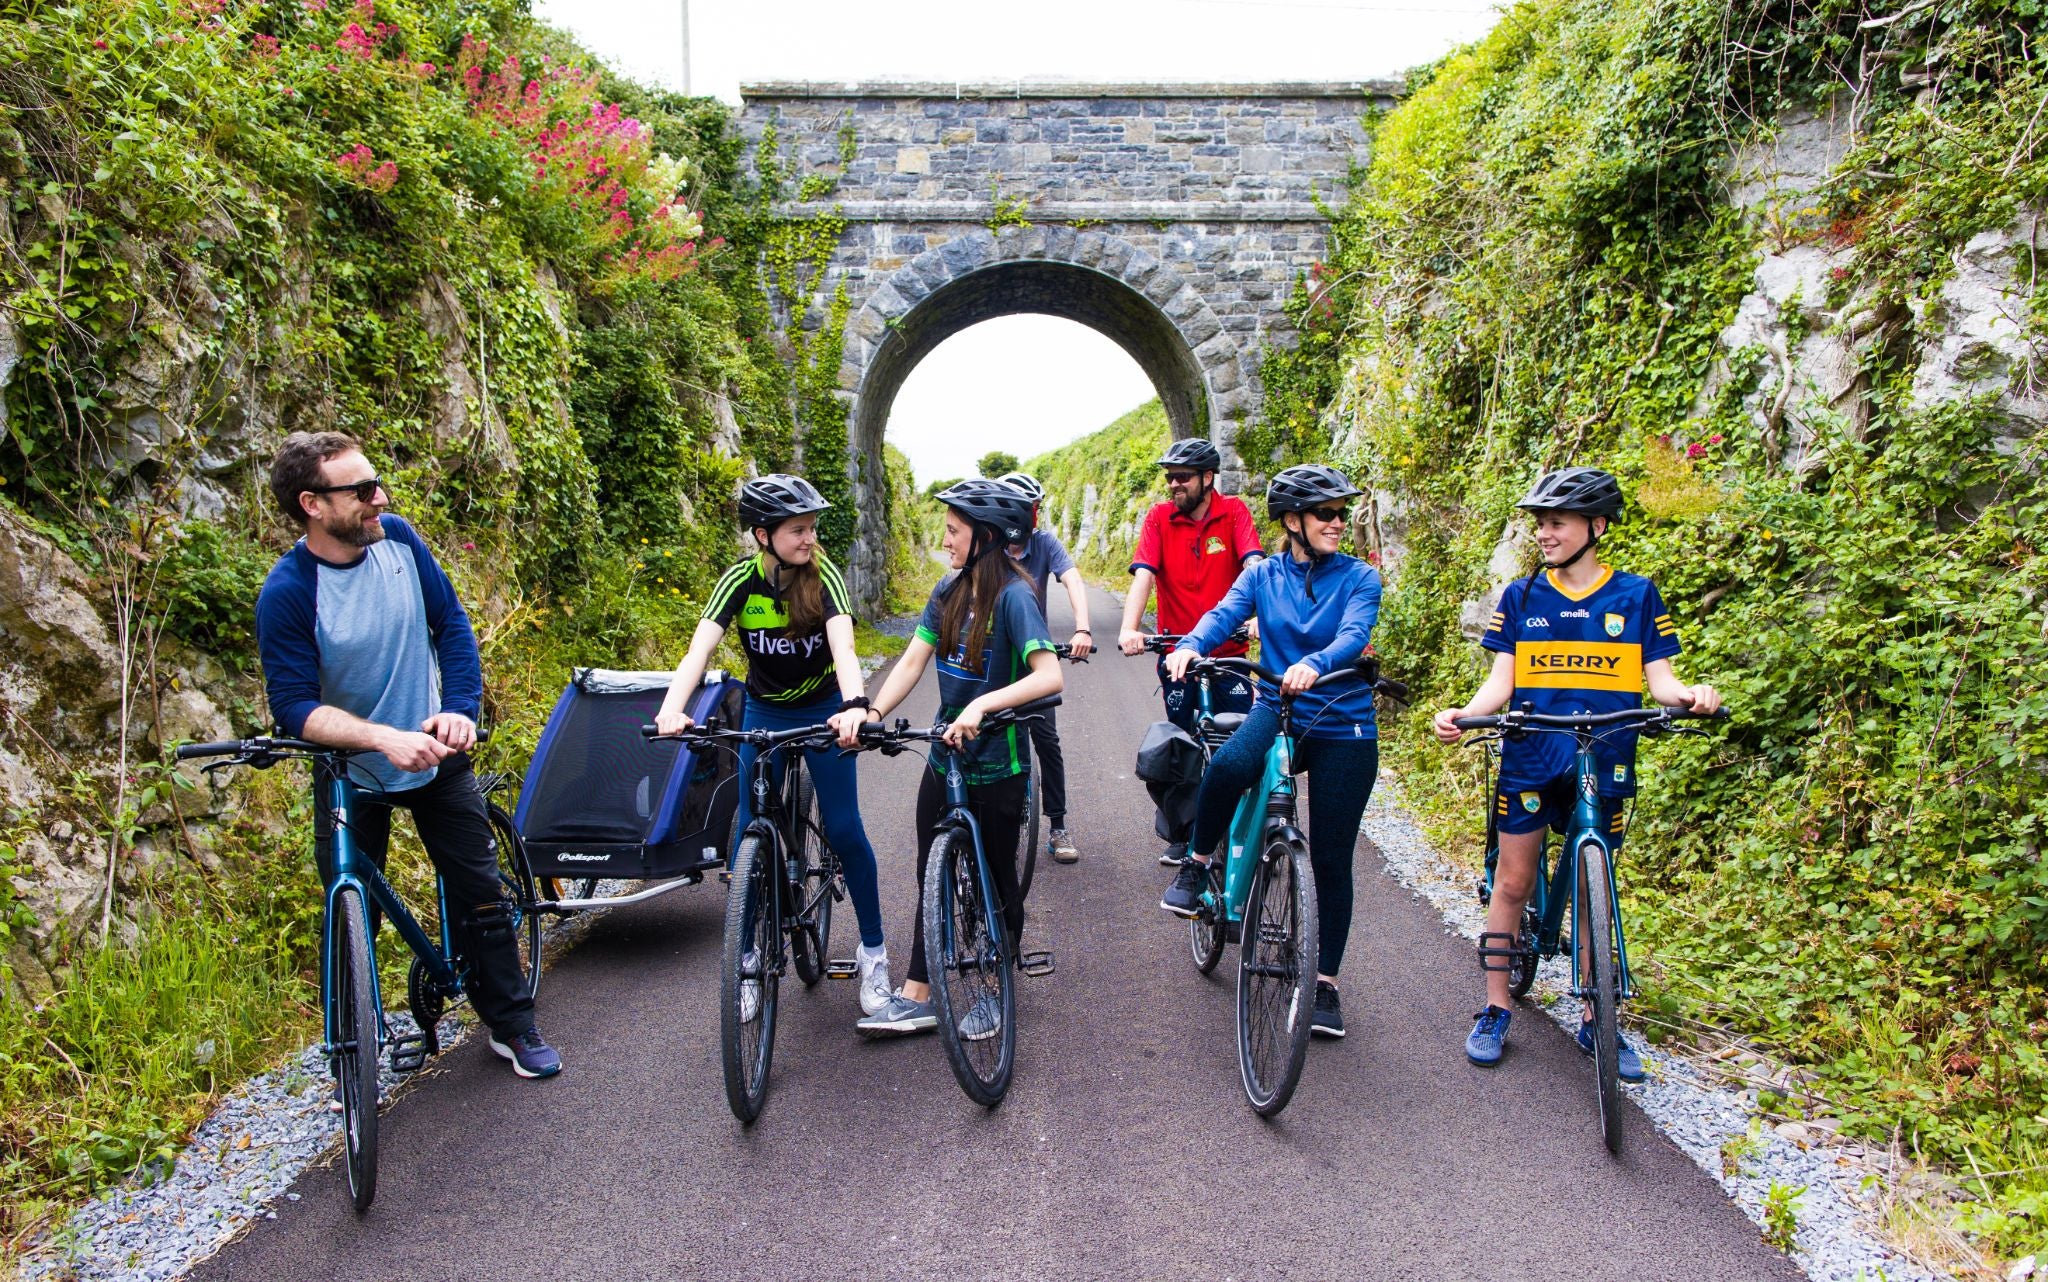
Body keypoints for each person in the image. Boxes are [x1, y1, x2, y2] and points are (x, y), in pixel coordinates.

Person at [256, 431, 561, 1080]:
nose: (380, 499)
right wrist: (381, 737)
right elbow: (294, 708)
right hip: (353, 771)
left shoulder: (400, 540)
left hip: (437, 754)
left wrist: (459, 709)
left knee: (479, 890)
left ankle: (511, 1024)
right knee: (349, 907)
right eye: (362, 491)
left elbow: (449, 624)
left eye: (377, 484)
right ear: (312, 503)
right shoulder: (287, 593)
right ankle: (350, 1050)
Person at [1431, 466, 1720, 1076]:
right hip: (1532, 752)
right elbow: (1500, 682)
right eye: (1539, 522)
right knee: (1512, 882)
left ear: (1597, 526)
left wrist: (1694, 695)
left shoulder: (1637, 596)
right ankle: (1495, 1006)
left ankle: (1598, 1019)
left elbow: (1662, 684)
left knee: (1599, 885)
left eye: (1556, 522)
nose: (1544, 533)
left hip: (1607, 752)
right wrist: (1467, 712)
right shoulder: (1522, 596)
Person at [651, 474, 893, 1021]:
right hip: (765, 709)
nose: (809, 539)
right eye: (797, 530)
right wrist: (673, 708)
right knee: (747, 828)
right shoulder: (740, 580)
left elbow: (845, 645)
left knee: (847, 829)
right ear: (763, 535)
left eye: (811, 528)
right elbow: (699, 648)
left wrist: (856, 704)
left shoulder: (823, 575)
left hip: (823, 708)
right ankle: (749, 954)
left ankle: (873, 958)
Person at [1157, 464, 1383, 1040]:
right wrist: (1191, 645)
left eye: (1341, 512)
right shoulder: (1263, 575)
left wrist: (1317, 663)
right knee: (1229, 765)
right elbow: (1223, 615)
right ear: (1293, 521)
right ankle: (1198, 865)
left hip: (1342, 719)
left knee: (1333, 859)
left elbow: (1354, 636)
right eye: (1326, 513)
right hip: (1276, 708)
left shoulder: (1361, 578)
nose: (1338, 522)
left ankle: (1325, 985)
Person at [853, 479, 1065, 1039]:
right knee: (931, 874)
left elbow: (1049, 675)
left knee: (998, 883)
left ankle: (997, 986)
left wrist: (982, 705)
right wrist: (869, 713)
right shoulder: (947, 592)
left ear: (986, 536)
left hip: (1000, 763)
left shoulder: (1016, 598)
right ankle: (918, 992)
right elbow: (909, 662)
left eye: (953, 530)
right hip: (946, 760)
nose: (944, 540)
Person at [1116, 438, 1265, 865]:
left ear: (1207, 478)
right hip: (1178, 652)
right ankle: (1186, 832)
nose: (1174, 485)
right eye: (1170, 478)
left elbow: (1255, 566)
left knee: (1235, 742)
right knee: (1182, 743)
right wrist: (1130, 628)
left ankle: (1239, 829)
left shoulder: (1233, 511)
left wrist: (1261, 614)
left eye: (1182, 477)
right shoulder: (1160, 518)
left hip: (1230, 652)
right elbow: (1143, 575)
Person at [996, 470, 1092, 865]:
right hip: (998, 659)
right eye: (1026, 508)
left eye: (1034, 508)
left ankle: (1057, 826)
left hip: (1037, 660)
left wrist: (1083, 627)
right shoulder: (989, 546)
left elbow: (1072, 580)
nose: (1031, 516)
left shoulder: (1044, 543)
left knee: (1047, 743)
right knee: (989, 739)